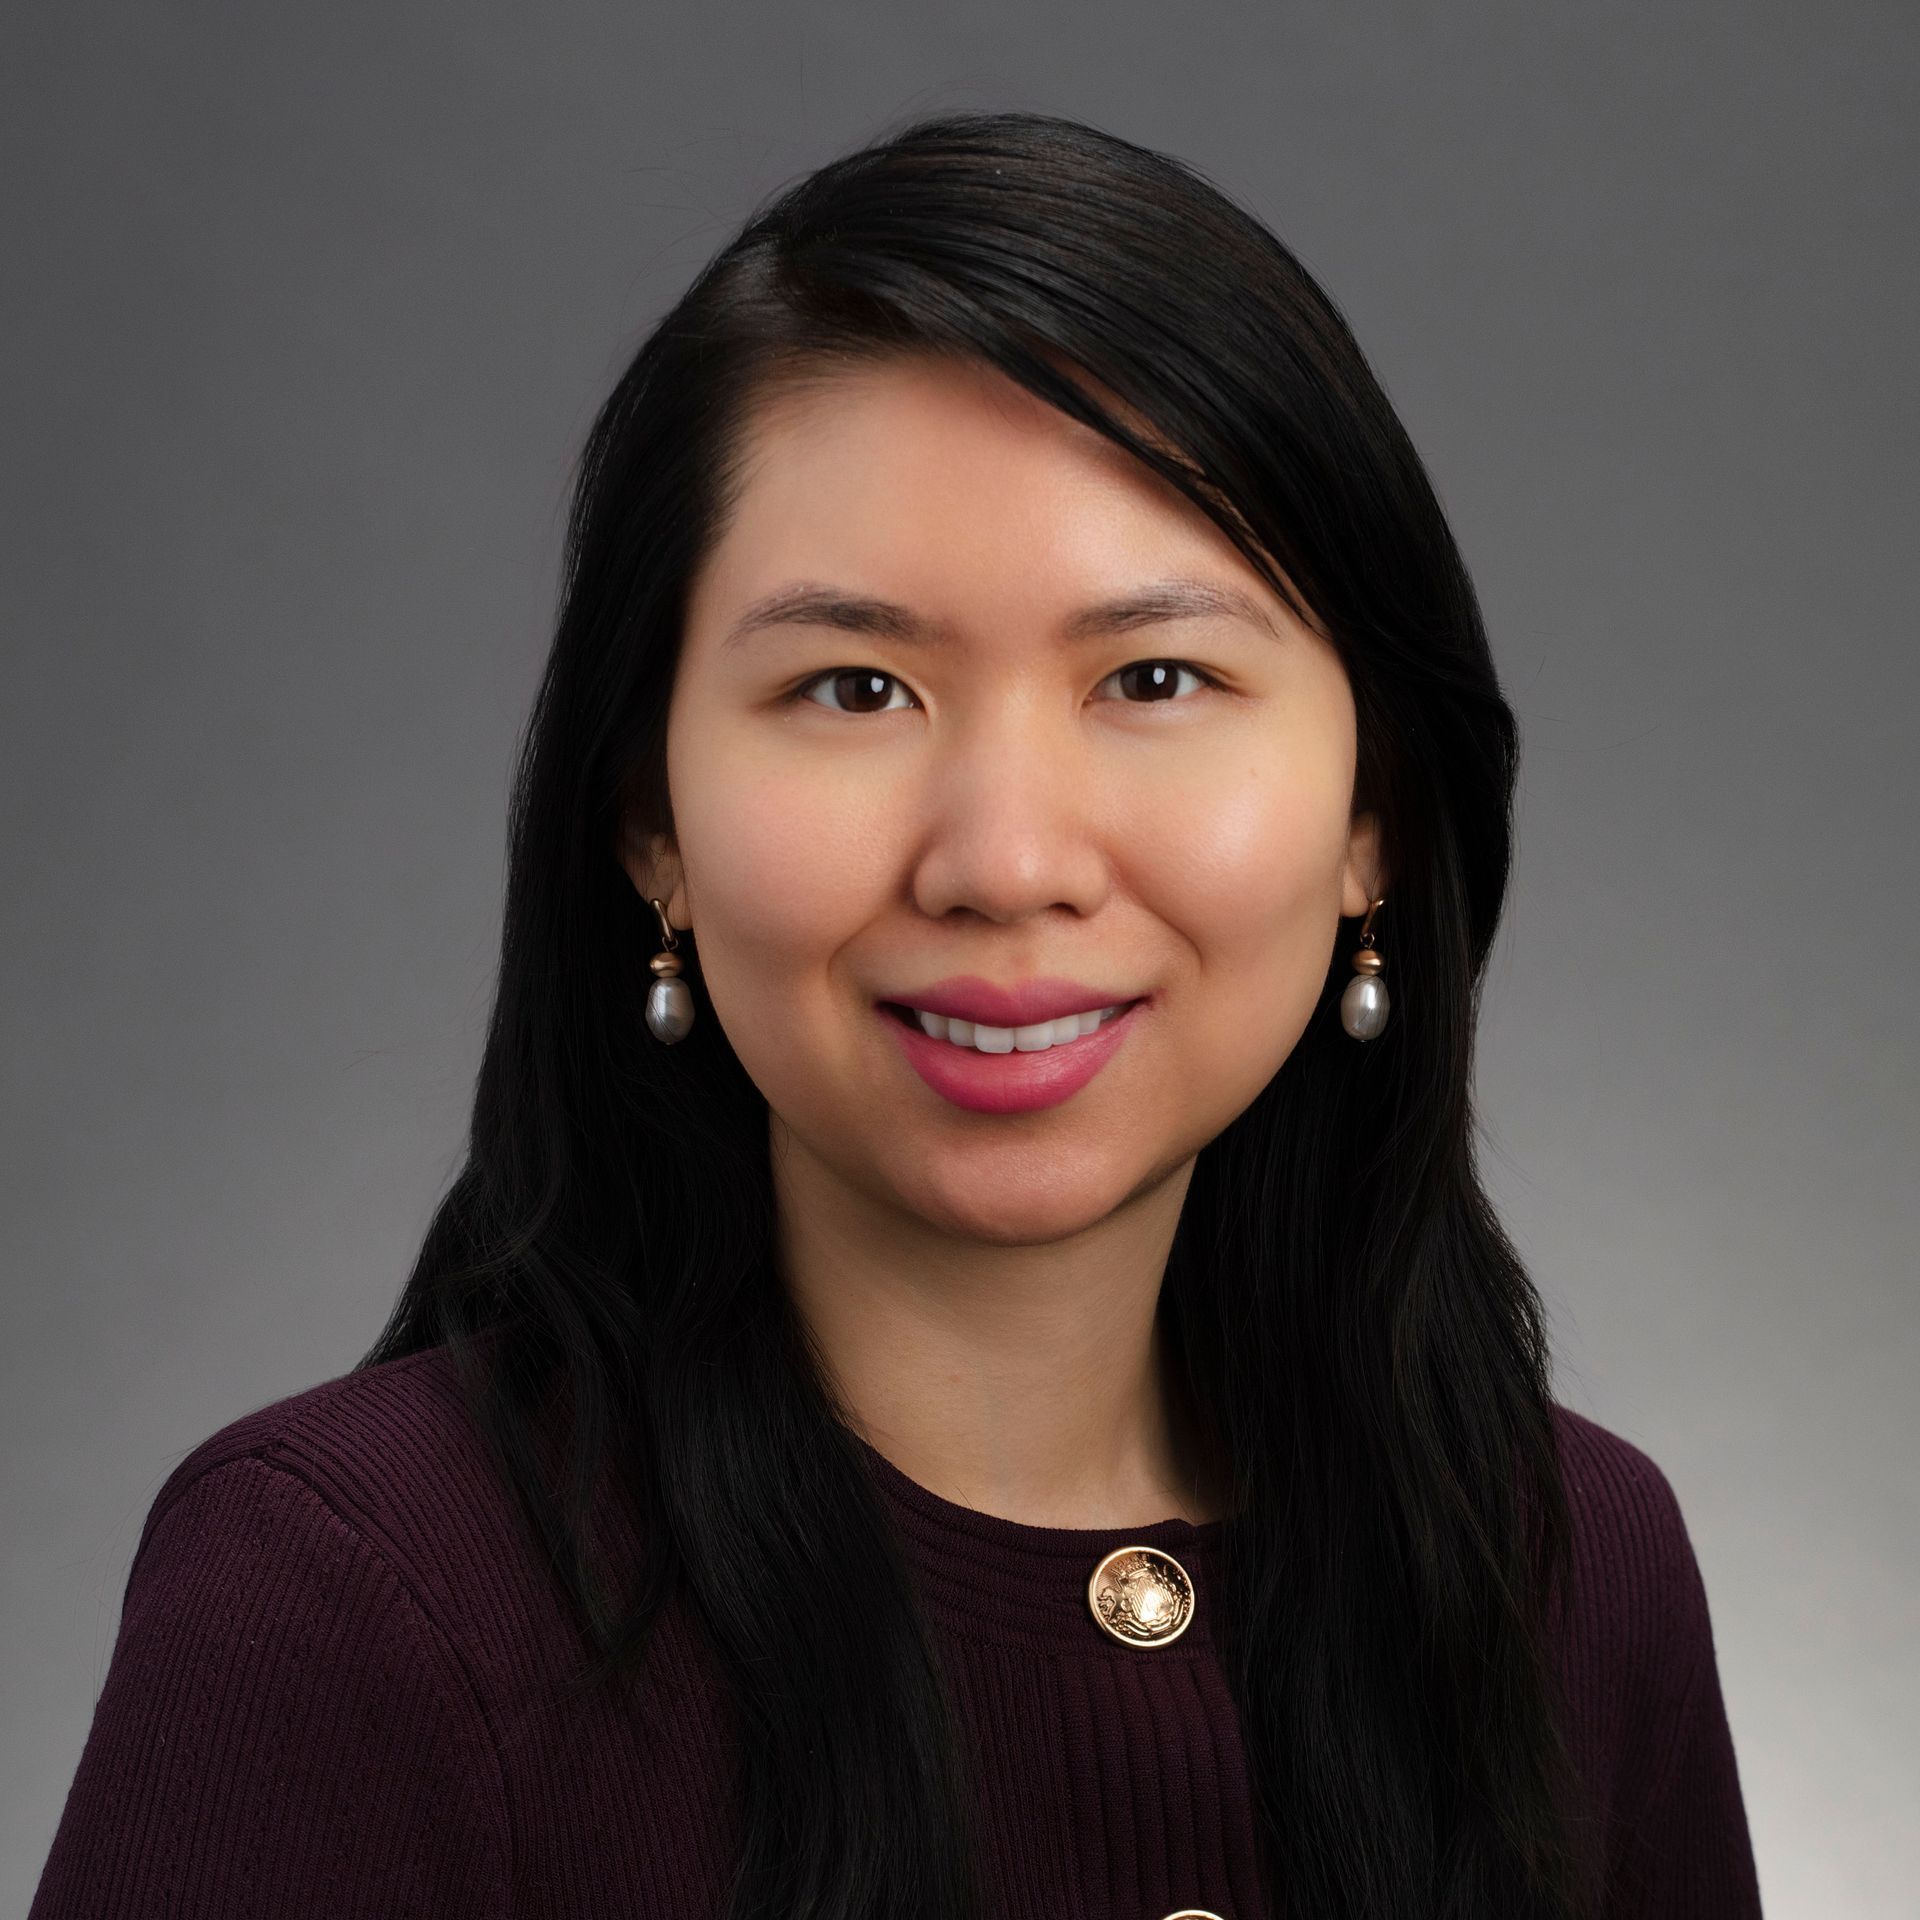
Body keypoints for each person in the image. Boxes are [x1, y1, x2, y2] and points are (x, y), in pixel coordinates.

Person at [28, 108, 1762, 1920]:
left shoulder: (1568, 1573)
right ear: (652, 826)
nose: (1004, 862)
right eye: (854, 687)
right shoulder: (346, 1595)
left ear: (1372, 815)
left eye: (1155, 676)